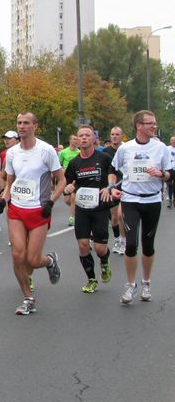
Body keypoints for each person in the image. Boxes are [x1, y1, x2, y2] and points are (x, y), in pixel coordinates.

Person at [0, 112, 65, 315]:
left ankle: (50, 261)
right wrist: (4, 199)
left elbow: (61, 180)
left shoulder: (46, 151)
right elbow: (10, 183)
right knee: (18, 255)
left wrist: (51, 202)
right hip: (17, 209)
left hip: (39, 210)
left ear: (35, 126)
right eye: (19, 123)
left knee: (33, 260)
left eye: (26, 123)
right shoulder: (12, 153)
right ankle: (28, 298)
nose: (22, 126)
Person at [108, 111, 172, 304]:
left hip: (152, 200)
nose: (154, 126)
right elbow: (113, 170)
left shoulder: (161, 148)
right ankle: (130, 285)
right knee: (131, 244)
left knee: (148, 244)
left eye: (154, 123)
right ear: (138, 125)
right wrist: (112, 188)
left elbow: (171, 174)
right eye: (150, 123)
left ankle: (146, 282)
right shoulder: (125, 148)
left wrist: (161, 174)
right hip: (130, 200)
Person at [63, 126, 114, 293]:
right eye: (80, 136)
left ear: (94, 139)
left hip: (100, 208)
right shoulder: (74, 163)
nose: (83, 138)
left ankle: (104, 262)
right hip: (82, 209)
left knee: (99, 249)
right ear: (76, 140)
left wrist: (109, 188)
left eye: (87, 135)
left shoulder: (104, 158)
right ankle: (91, 279)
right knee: (83, 245)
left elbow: (115, 177)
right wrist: (68, 189)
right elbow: (68, 184)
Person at [100, 126, 126, 253]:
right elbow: (104, 170)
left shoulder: (126, 149)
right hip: (112, 187)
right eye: (112, 134)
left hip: (126, 187)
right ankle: (117, 239)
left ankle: (124, 241)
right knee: (114, 217)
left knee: (121, 215)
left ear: (122, 136)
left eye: (117, 134)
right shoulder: (105, 151)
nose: (114, 136)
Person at [59, 135, 80, 226]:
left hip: (76, 177)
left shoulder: (79, 152)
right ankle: (78, 209)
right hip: (66, 177)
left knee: (73, 198)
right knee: (67, 200)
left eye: (77, 139)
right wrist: (61, 171)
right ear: (70, 140)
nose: (76, 141)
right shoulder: (63, 152)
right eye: (74, 139)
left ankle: (71, 218)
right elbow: (59, 164)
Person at [167, 136, 175, 208]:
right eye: (172, 140)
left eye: (174, 140)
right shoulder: (167, 148)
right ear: (170, 141)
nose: (173, 141)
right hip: (169, 169)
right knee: (169, 185)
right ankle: (170, 200)